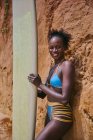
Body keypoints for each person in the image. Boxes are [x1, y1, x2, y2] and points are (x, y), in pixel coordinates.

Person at [28, 29, 74, 140]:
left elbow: (64, 99)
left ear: (65, 48)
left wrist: (40, 84)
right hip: (50, 112)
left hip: (61, 115)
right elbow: (43, 94)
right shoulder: (53, 67)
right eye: (51, 47)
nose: (54, 50)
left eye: (58, 47)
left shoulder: (66, 65)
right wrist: (31, 87)